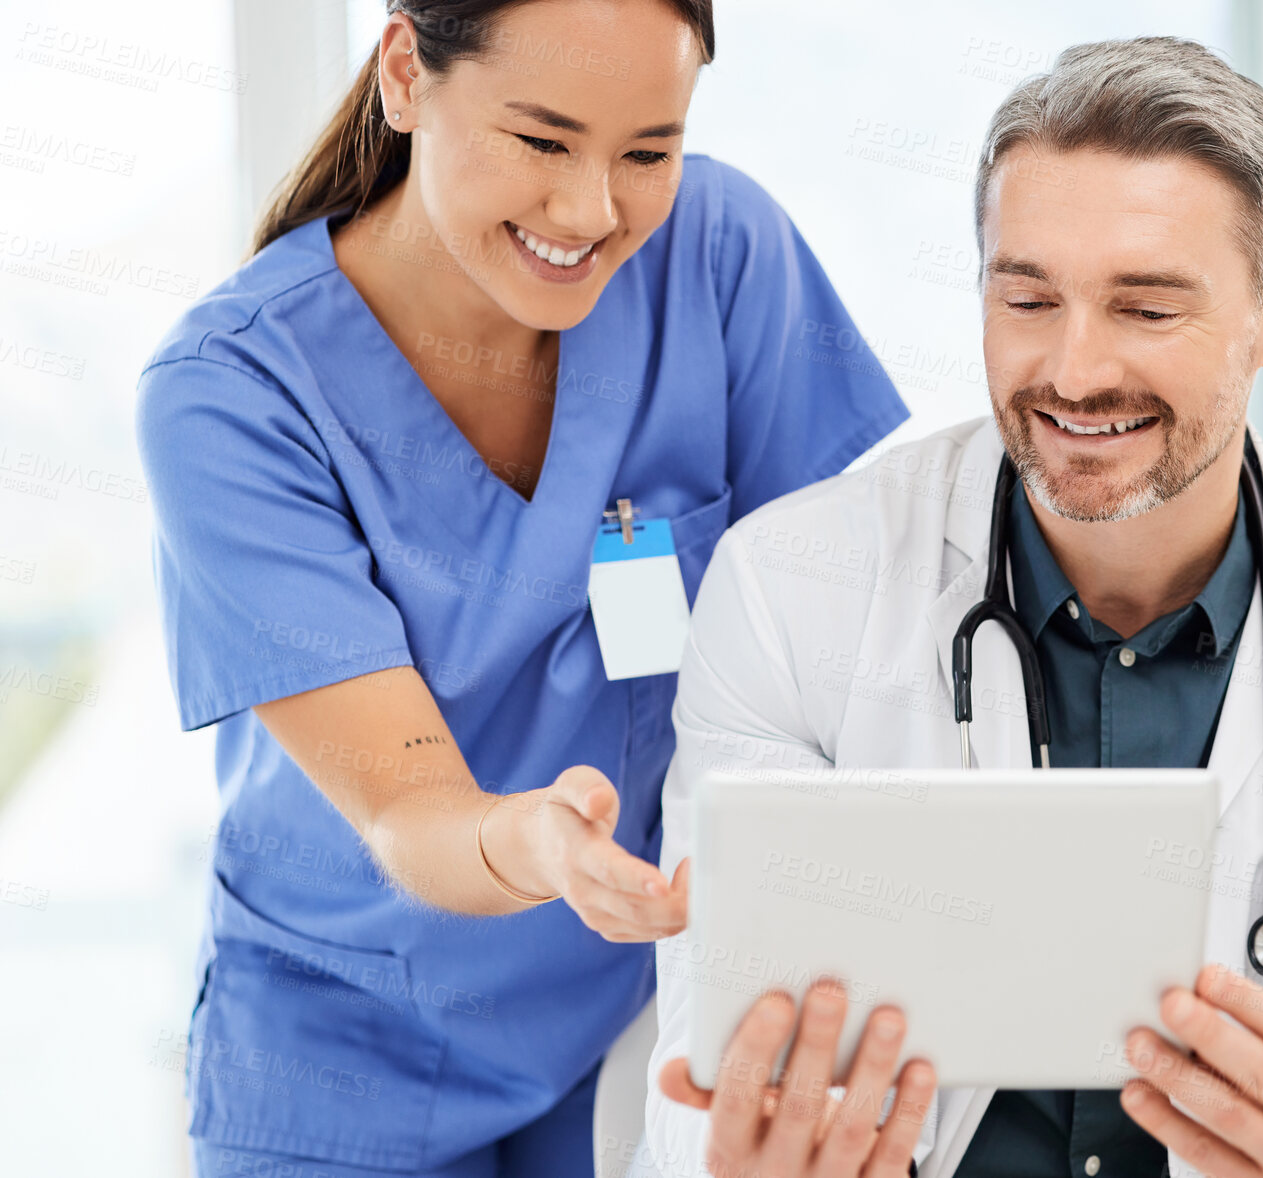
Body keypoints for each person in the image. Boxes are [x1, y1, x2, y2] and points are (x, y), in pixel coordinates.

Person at [644, 36, 1263, 1178]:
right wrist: (744, 1151)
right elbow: (708, 1054)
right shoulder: (793, 587)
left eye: (1143, 308)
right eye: (1027, 296)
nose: (1073, 370)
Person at [133, 1, 907, 1174]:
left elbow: (850, 635)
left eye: (647, 150)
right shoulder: (231, 396)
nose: (591, 210)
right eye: (541, 141)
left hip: (634, 1016)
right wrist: (531, 844)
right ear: (405, 73)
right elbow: (407, 809)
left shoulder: (718, 254)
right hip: (341, 1055)